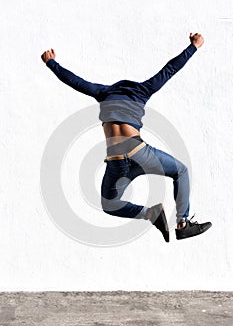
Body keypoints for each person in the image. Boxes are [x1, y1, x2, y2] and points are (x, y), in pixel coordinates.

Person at [41, 32, 212, 243]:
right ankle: (181, 223)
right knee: (181, 171)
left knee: (110, 205)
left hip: (116, 162)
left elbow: (76, 81)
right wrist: (194, 46)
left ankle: (151, 214)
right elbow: (169, 70)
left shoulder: (104, 93)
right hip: (139, 153)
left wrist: (51, 63)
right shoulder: (142, 90)